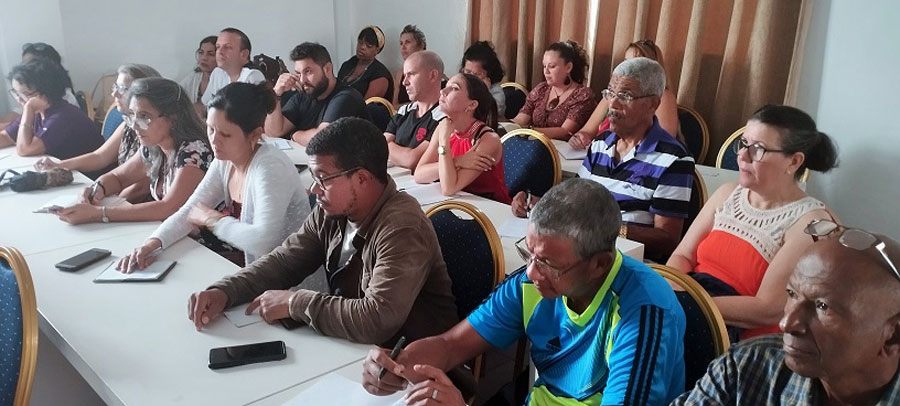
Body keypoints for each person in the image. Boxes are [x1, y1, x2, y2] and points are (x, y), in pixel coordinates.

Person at [363, 179, 686, 405]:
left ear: (599, 264)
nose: (531, 272)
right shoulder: (531, 283)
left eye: (548, 263)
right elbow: (452, 344)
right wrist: (398, 366)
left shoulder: (643, 313)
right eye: (529, 254)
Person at [186, 117, 457, 346]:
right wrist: (225, 291)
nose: (314, 189)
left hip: (410, 364)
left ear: (362, 178)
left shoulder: (402, 227)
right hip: (355, 350)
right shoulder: (335, 209)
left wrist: (296, 303)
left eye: (322, 178)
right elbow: (285, 261)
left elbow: (377, 319)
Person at [672, 226, 900, 405]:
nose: (786, 323)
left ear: (893, 335)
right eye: (792, 294)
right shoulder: (747, 367)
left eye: (823, 307)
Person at [667, 105, 837, 340]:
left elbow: (767, 309)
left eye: (757, 149)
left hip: (739, 342)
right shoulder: (727, 194)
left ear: (794, 161)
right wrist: (671, 295)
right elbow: (682, 256)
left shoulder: (809, 223)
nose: (742, 156)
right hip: (691, 310)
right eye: (744, 144)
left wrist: (689, 303)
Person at [512, 57, 694, 260]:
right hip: (582, 250)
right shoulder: (600, 144)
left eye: (625, 96)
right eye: (610, 94)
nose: (612, 104)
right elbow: (577, 199)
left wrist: (607, 230)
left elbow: (667, 238)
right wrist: (540, 203)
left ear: (652, 104)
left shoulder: (673, 159)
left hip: (627, 260)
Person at [117, 82, 310, 271]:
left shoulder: (269, 167)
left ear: (254, 135)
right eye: (210, 129)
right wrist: (151, 245)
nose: (214, 141)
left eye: (225, 135)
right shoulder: (225, 160)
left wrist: (212, 220)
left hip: (287, 282)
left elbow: (262, 241)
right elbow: (189, 211)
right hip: (256, 271)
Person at [55, 78, 212, 225]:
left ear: (173, 118)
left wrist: (98, 213)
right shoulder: (153, 146)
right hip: (170, 233)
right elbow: (118, 178)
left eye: (144, 117)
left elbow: (167, 208)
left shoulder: (194, 151)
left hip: (201, 243)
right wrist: (96, 189)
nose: (134, 126)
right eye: (131, 116)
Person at [34, 64, 161, 196]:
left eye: (123, 89)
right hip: (118, 192)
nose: (114, 93)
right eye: (115, 87)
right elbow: (99, 157)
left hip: (138, 202)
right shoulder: (127, 124)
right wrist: (58, 165)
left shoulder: (156, 132)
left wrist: (105, 207)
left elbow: (141, 186)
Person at [414, 73, 510, 204]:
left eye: (454, 88)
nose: (443, 91)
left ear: (471, 105)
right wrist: (457, 161)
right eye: (446, 86)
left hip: (488, 206)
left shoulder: (487, 139)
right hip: (457, 202)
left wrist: (443, 143)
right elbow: (419, 174)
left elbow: (449, 187)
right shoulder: (443, 127)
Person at [570, 39, 681, 149]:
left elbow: (663, 141)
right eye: (626, 61)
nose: (629, 66)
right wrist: (580, 137)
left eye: (636, 62)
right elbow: (587, 131)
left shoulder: (663, 96)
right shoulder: (611, 95)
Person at [266, 42, 367, 145]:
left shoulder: (346, 97)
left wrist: (294, 135)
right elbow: (273, 132)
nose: (302, 80)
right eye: (298, 73)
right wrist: (276, 94)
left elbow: (323, 139)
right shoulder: (303, 95)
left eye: (308, 71)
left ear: (327, 69)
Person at [0, 59, 103, 159]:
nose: (19, 99)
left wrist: (28, 108)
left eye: (25, 94)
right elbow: (5, 137)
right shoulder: (38, 112)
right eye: (16, 93)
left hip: (87, 175)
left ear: (46, 91)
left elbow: (25, 149)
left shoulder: (63, 116)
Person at [511, 40, 597, 140]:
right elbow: (522, 118)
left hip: (564, 152)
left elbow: (565, 132)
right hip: (534, 145)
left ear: (568, 67)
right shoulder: (541, 89)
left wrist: (528, 131)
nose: (546, 71)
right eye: (544, 66)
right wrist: (507, 126)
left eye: (551, 66)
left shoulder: (582, 95)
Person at [384, 50, 446, 170]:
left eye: (411, 74)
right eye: (404, 75)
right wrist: (402, 153)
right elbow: (380, 146)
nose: (404, 82)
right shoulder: (404, 111)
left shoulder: (445, 116)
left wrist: (390, 147)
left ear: (432, 75)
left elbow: (412, 160)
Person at [199, 28, 265, 108]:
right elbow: (203, 105)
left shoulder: (252, 76)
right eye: (218, 47)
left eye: (227, 47)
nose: (220, 52)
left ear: (244, 54)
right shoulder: (217, 72)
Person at [337, 26, 394, 101]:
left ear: (377, 50)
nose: (362, 47)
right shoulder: (348, 64)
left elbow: (367, 105)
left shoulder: (380, 74)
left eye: (368, 46)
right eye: (360, 42)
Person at [460, 41, 506, 116]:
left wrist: (485, 93)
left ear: (489, 74)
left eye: (477, 74)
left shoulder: (496, 92)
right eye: (467, 72)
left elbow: (489, 114)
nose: (471, 77)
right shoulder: (460, 86)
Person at [393, 24, 427, 106]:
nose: (403, 47)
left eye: (407, 42)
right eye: (401, 43)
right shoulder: (400, 74)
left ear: (421, 46)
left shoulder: (428, 71)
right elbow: (394, 105)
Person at [180, 36, 217, 104]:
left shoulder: (224, 80)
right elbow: (177, 96)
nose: (204, 58)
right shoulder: (193, 77)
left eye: (211, 54)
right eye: (201, 52)